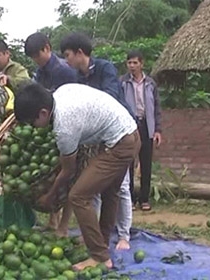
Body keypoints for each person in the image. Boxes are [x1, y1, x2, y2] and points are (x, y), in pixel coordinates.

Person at [14, 82, 140, 270]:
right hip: (131, 132)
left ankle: (99, 257)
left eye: (32, 122)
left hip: (119, 145)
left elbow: (68, 171)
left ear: (42, 113)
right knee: (110, 192)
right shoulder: (61, 90)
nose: (33, 127)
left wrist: (50, 196)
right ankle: (102, 242)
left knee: (78, 196)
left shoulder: (64, 127)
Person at [58, 32, 133, 250]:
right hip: (98, 137)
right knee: (96, 189)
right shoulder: (78, 77)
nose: (66, 60)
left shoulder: (105, 68)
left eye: (68, 55)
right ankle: (97, 235)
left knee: (121, 188)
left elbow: (109, 96)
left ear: (80, 53)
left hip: (120, 133)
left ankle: (123, 236)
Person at [24, 32, 77, 230]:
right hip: (49, 127)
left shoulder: (63, 70)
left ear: (47, 48)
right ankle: (53, 220)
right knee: (51, 174)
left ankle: (63, 224)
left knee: (68, 176)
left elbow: (69, 98)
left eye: (37, 56)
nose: (36, 61)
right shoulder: (41, 72)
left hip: (67, 128)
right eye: (33, 58)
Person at [122, 50, 162, 211]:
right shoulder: (123, 82)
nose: (132, 66)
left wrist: (158, 130)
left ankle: (144, 199)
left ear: (141, 64)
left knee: (146, 163)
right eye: (129, 63)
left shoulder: (151, 84)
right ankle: (130, 199)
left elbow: (157, 108)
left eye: (135, 63)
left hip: (147, 125)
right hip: (129, 126)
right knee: (128, 163)